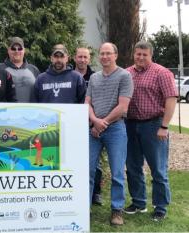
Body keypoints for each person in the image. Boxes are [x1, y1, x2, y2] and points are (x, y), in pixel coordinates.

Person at [124, 41, 177, 221]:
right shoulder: (127, 73)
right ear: (134, 54)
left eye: (144, 54)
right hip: (130, 125)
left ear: (151, 55)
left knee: (158, 168)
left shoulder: (161, 73)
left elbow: (171, 99)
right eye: (138, 54)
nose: (140, 57)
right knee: (132, 167)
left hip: (154, 125)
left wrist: (164, 126)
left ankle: (160, 207)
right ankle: (139, 202)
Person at [85, 42, 133, 225]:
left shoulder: (124, 76)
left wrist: (102, 123)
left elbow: (123, 106)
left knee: (117, 172)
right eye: (102, 53)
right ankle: (84, 207)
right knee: (88, 170)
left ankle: (116, 210)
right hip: (94, 129)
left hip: (115, 129)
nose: (104, 57)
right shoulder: (95, 78)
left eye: (108, 53)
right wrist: (95, 122)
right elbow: (87, 103)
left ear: (115, 55)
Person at [73, 47, 103, 205]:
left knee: (95, 162)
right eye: (80, 56)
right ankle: (76, 190)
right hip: (73, 124)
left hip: (91, 123)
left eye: (85, 57)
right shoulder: (68, 76)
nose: (82, 59)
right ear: (74, 58)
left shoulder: (96, 77)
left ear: (89, 59)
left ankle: (96, 193)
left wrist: (94, 122)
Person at [0, 36, 40, 102]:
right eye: (13, 48)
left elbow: (40, 93)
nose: (16, 51)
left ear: (24, 50)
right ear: (8, 50)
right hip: (7, 111)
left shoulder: (34, 70)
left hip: (31, 111)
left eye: (20, 48)